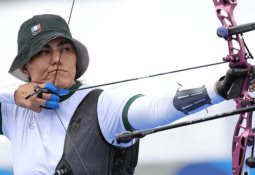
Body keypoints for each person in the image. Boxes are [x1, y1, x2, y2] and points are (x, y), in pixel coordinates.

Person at [0, 14, 251, 175]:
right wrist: (13, 94)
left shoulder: (101, 106)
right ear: (25, 67)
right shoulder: (13, 111)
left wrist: (218, 90)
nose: (57, 58)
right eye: (44, 51)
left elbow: (155, 108)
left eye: (65, 48)